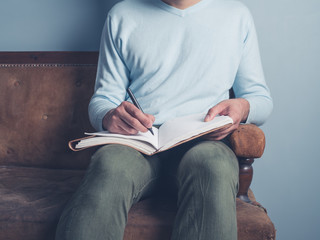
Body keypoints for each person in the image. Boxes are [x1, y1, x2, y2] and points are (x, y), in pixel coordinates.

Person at [55, 0, 273, 239]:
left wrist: (242, 107)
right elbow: (104, 98)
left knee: (214, 165)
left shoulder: (236, 15)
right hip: (139, 140)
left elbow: (260, 99)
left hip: (205, 139)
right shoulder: (121, 15)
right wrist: (108, 115)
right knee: (109, 164)